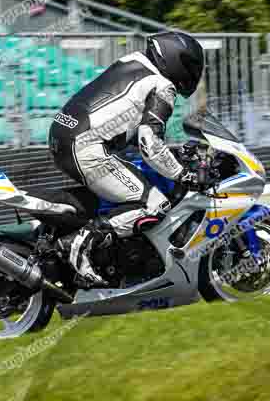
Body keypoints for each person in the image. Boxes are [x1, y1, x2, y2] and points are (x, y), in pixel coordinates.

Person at [48, 31, 205, 286]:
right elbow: (149, 143)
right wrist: (183, 174)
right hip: (87, 147)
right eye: (191, 66)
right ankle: (82, 243)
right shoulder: (162, 85)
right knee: (154, 205)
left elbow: (123, 121)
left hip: (62, 134)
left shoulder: (131, 63)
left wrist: (172, 155)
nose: (193, 74)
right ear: (177, 60)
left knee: (124, 193)